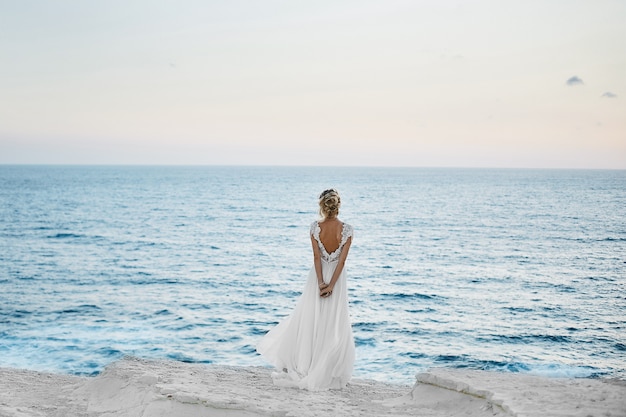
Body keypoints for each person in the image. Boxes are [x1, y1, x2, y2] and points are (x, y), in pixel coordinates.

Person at [256, 188, 355, 391]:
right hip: (337, 277)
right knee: (333, 321)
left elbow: (317, 258)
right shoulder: (347, 229)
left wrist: (320, 282)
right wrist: (332, 285)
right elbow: (342, 261)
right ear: (338, 206)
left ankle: (307, 363)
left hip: (317, 276)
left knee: (312, 318)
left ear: (322, 206)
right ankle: (327, 367)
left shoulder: (314, 228)